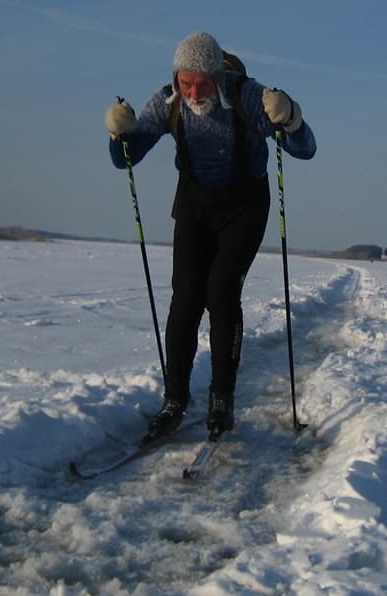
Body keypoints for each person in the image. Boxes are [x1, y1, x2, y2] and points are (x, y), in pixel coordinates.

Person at [105, 31, 317, 441]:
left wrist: (291, 118)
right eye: (186, 83)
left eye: (202, 83)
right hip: (194, 203)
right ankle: (175, 400)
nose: (194, 92)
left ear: (218, 76)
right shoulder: (167, 102)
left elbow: (304, 149)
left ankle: (222, 398)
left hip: (244, 204)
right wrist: (118, 135)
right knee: (185, 295)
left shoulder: (248, 97)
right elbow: (127, 158)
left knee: (221, 293)